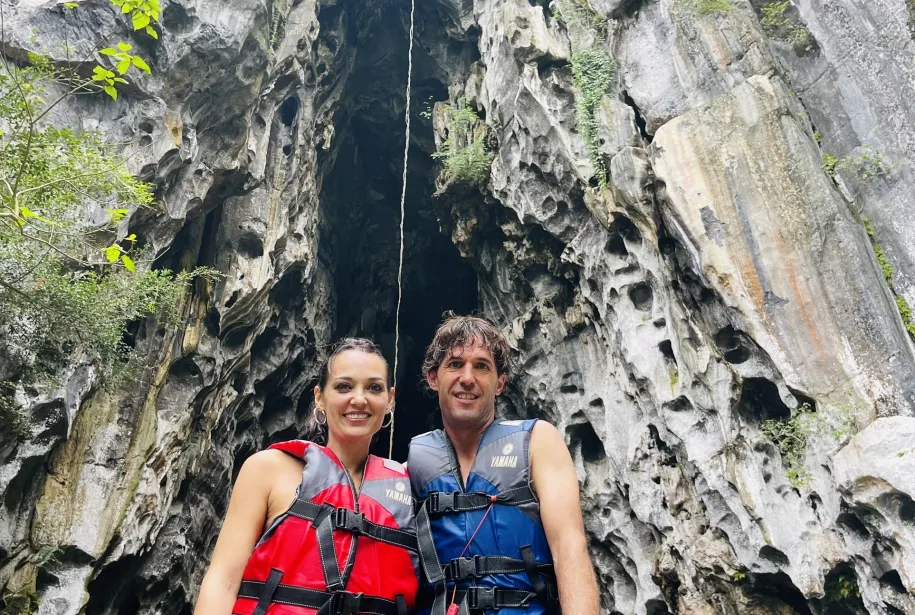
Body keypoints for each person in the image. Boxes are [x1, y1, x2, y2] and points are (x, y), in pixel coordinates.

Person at [195, 338, 420, 615]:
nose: (359, 399)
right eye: (344, 386)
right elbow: (223, 582)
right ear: (319, 397)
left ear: (390, 400)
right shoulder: (268, 469)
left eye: (374, 388)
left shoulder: (409, 485)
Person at [407, 314, 599, 615]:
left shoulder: (538, 441)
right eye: (455, 364)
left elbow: (569, 547)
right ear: (433, 378)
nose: (467, 378)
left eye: (481, 366)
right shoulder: (413, 464)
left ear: (499, 383)